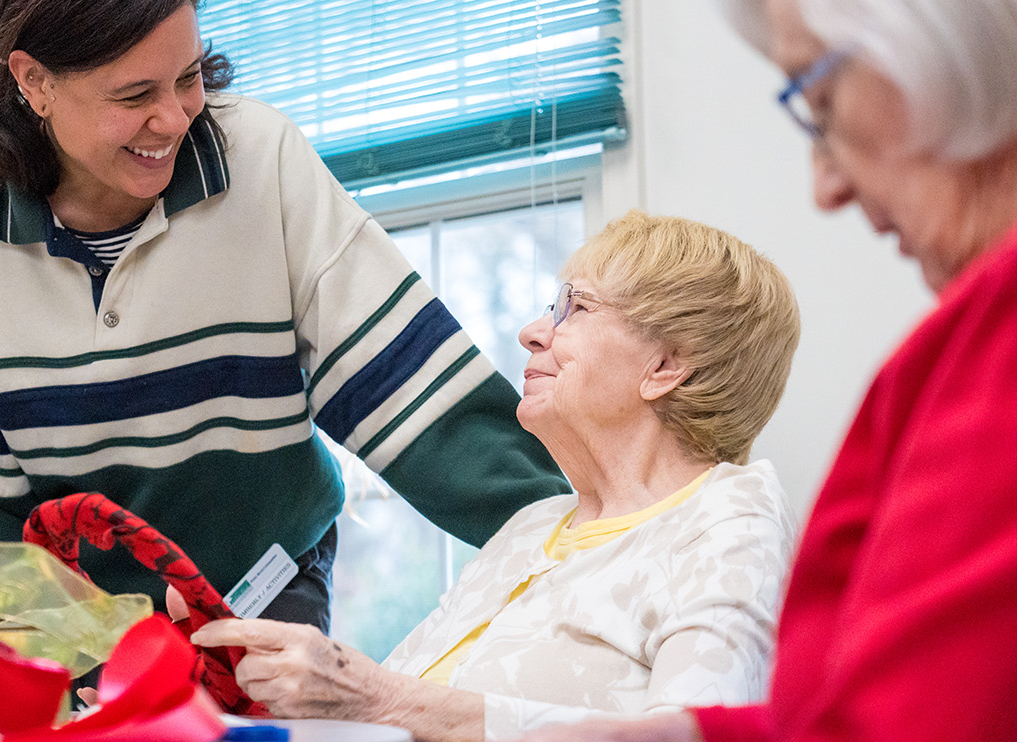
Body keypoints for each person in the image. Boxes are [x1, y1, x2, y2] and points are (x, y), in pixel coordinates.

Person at [0, 0, 568, 633]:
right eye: (134, 95)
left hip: (262, 575)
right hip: (77, 612)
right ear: (35, 82)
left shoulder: (259, 157)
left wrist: (578, 535)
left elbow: (407, 385)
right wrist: (68, 657)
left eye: (187, 79)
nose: (175, 117)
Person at [519, 0, 1017, 741]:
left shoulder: (994, 341)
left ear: (969, 28)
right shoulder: (954, 348)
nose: (825, 185)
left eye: (823, 106)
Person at [189, 210, 801, 741]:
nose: (532, 331)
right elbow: (385, 708)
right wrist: (253, 674)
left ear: (665, 366)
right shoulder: (531, 528)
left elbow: (690, 737)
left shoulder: (728, 516)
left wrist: (377, 696)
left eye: (575, 308)